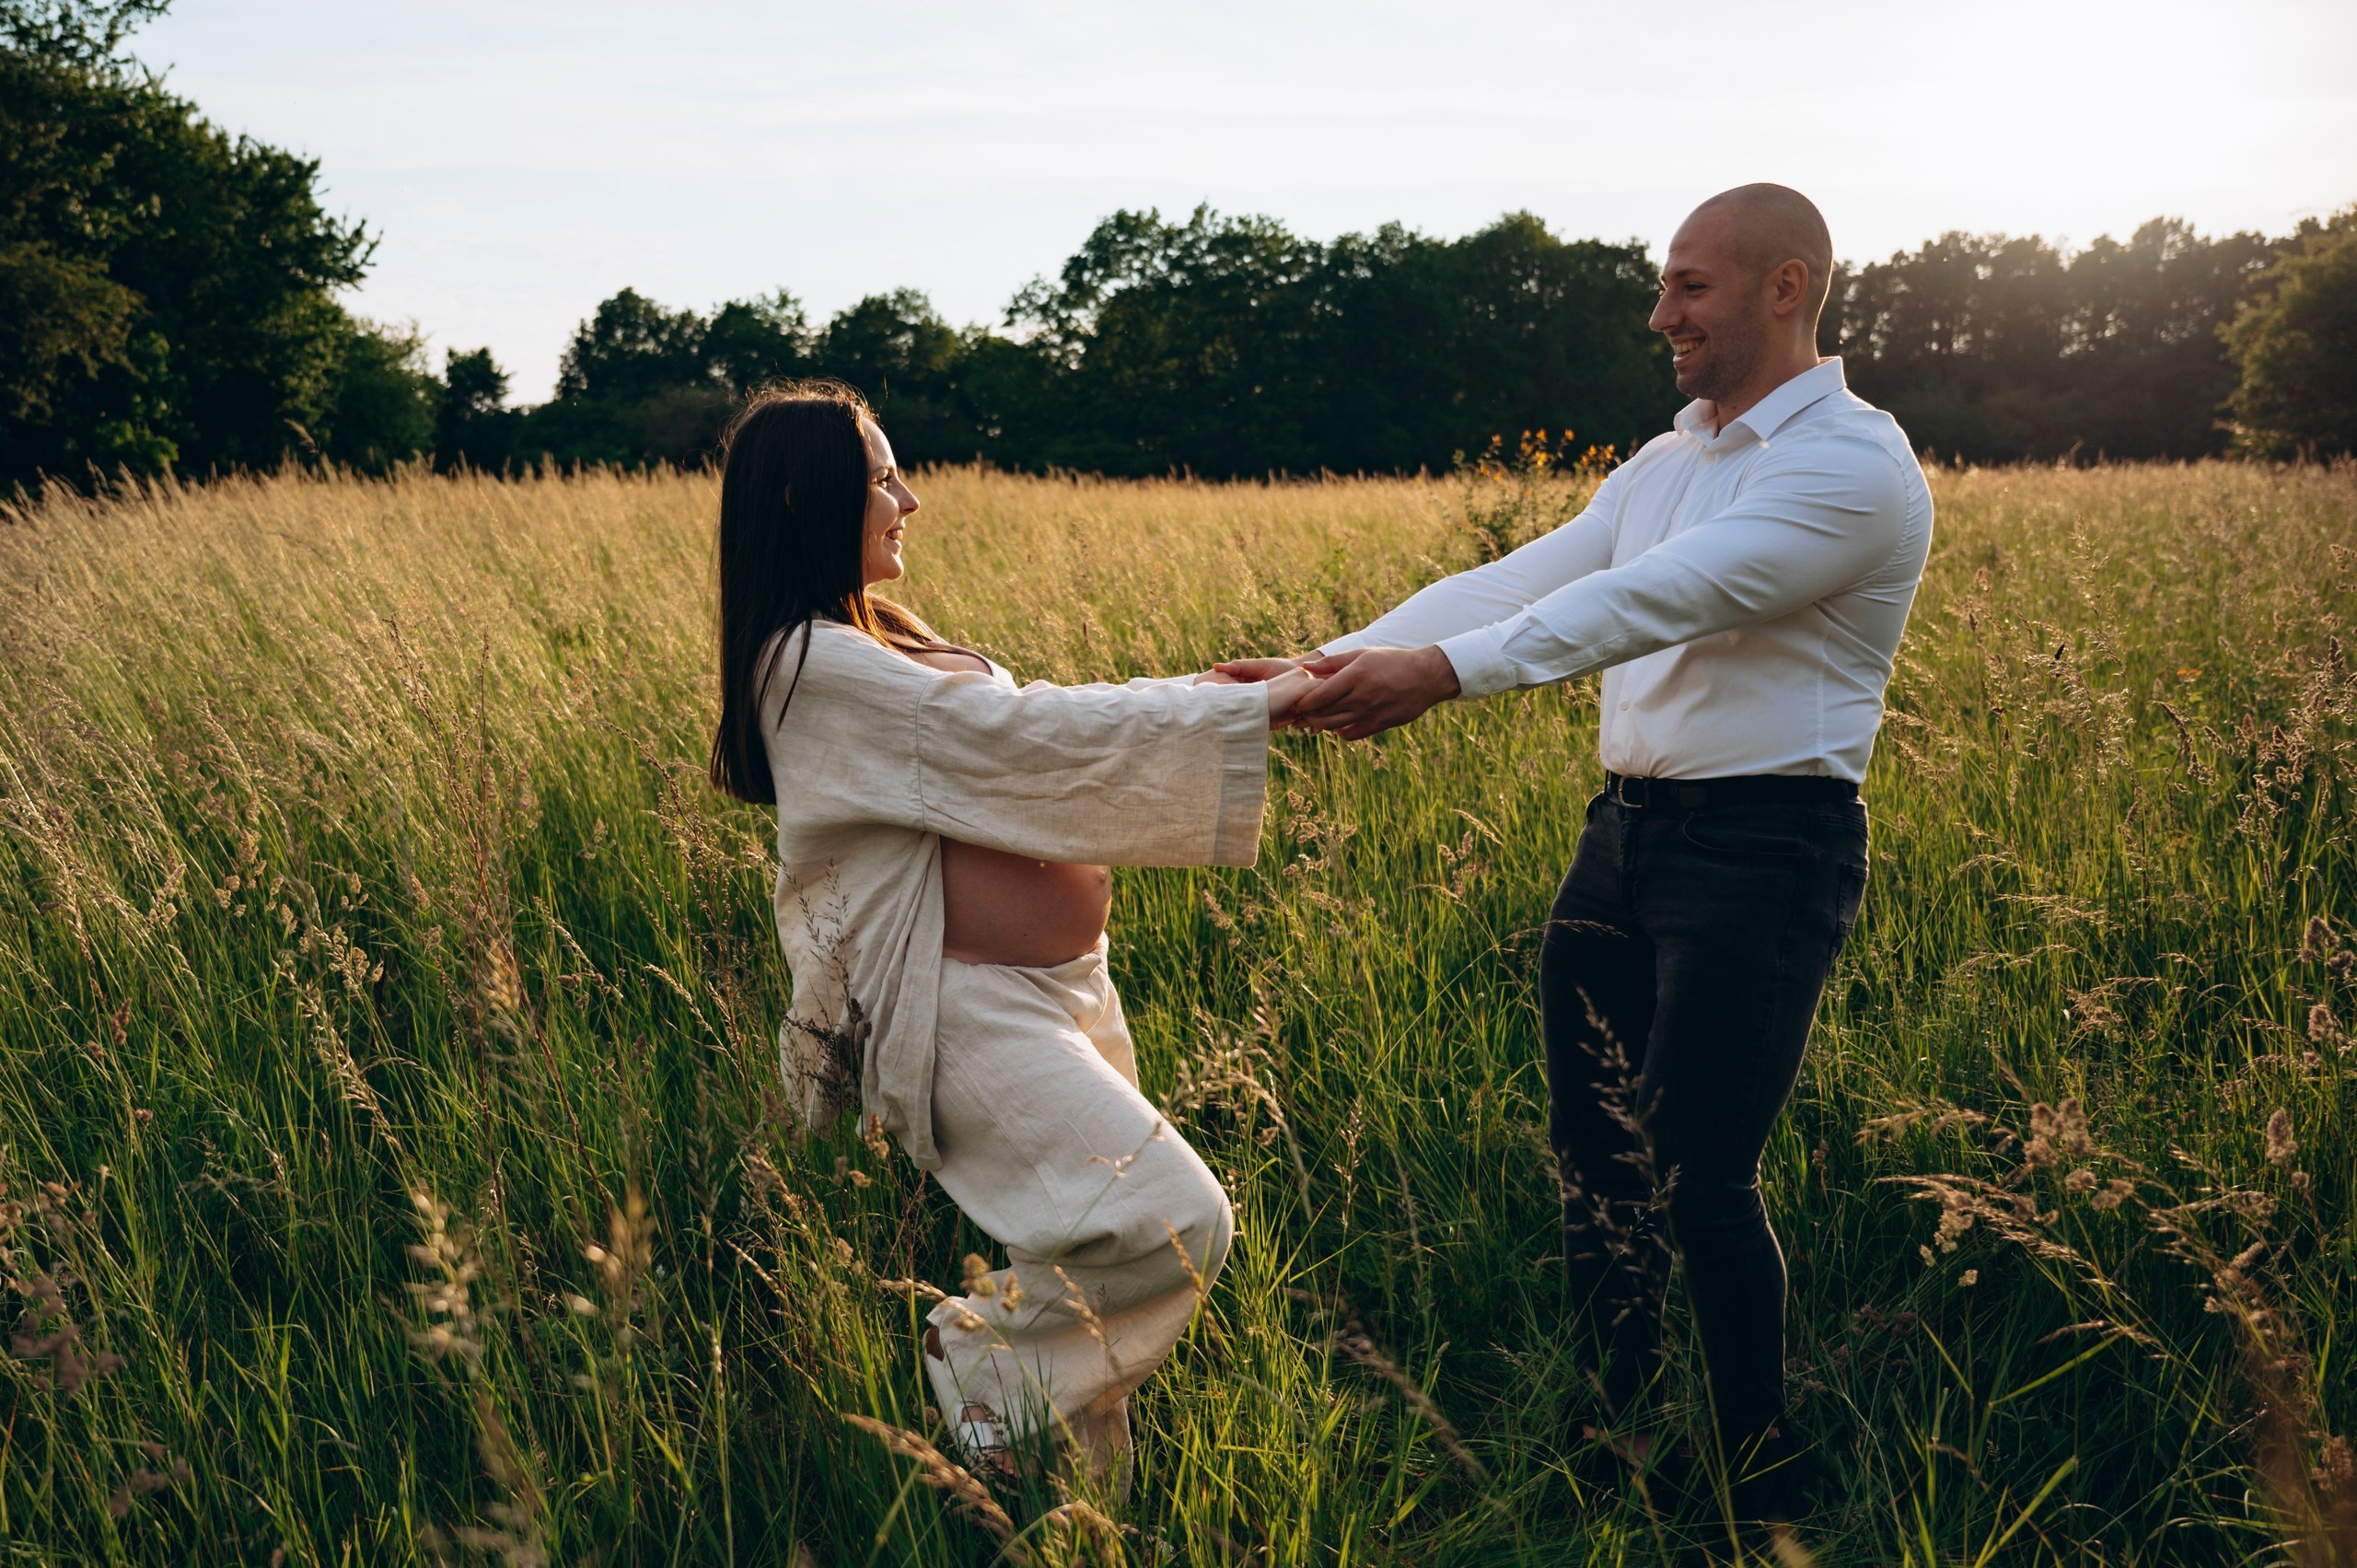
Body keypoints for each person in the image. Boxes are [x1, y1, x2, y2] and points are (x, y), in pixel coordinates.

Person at [1219, 184, 1933, 1518]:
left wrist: (1437, 675)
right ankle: (1611, 1445)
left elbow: (1650, 599)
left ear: (1786, 288)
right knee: (1597, 1162)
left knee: (1698, 1178)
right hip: (1626, 838)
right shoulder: (1670, 459)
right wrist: (1329, 666)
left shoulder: (1849, 464)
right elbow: (1530, 577)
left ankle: (1755, 1489)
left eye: (1690, 289)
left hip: (1767, 847)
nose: (1662, 316)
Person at [710, 381, 1319, 1487]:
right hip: (964, 1011)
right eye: (883, 475)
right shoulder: (805, 660)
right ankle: (974, 1358)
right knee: (1170, 1220)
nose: (910, 497)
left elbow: (1016, 735)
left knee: (1080, 1260)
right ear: (808, 495)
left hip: (1059, 995)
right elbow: (1012, 733)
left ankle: (1075, 1516)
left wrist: (1210, 691)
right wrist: (1234, 706)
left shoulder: (874, 629)